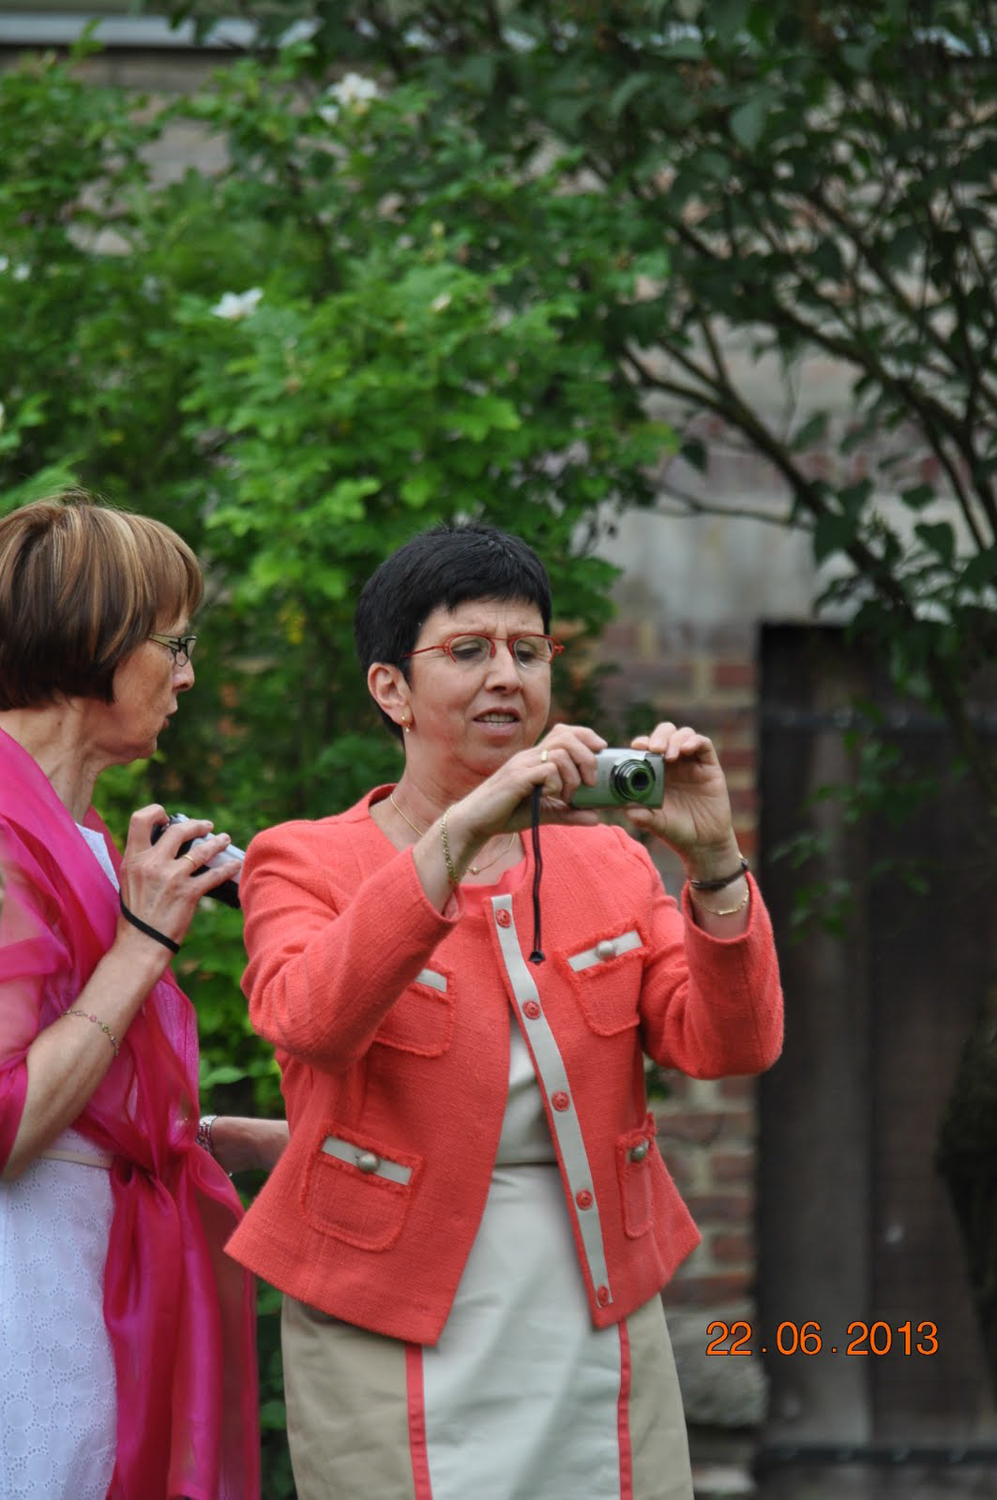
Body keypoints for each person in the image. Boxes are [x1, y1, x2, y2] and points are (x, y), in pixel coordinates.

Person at [228, 522, 784, 1500]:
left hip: (595, 1307)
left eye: (528, 651)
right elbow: (310, 1021)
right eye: (468, 650)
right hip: (385, 1317)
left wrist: (713, 864)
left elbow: (729, 1045)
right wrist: (466, 828)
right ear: (390, 689)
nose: (506, 676)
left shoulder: (608, 858)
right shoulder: (302, 859)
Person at [0, 492, 287, 1500]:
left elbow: (79, 1101)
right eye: (174, 644)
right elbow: (11, 1123)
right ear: (98, 639)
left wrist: (198, 1136)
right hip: (27, 1295)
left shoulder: (80, 836)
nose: (188, 675)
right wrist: (144, 940)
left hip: (84, 1270)